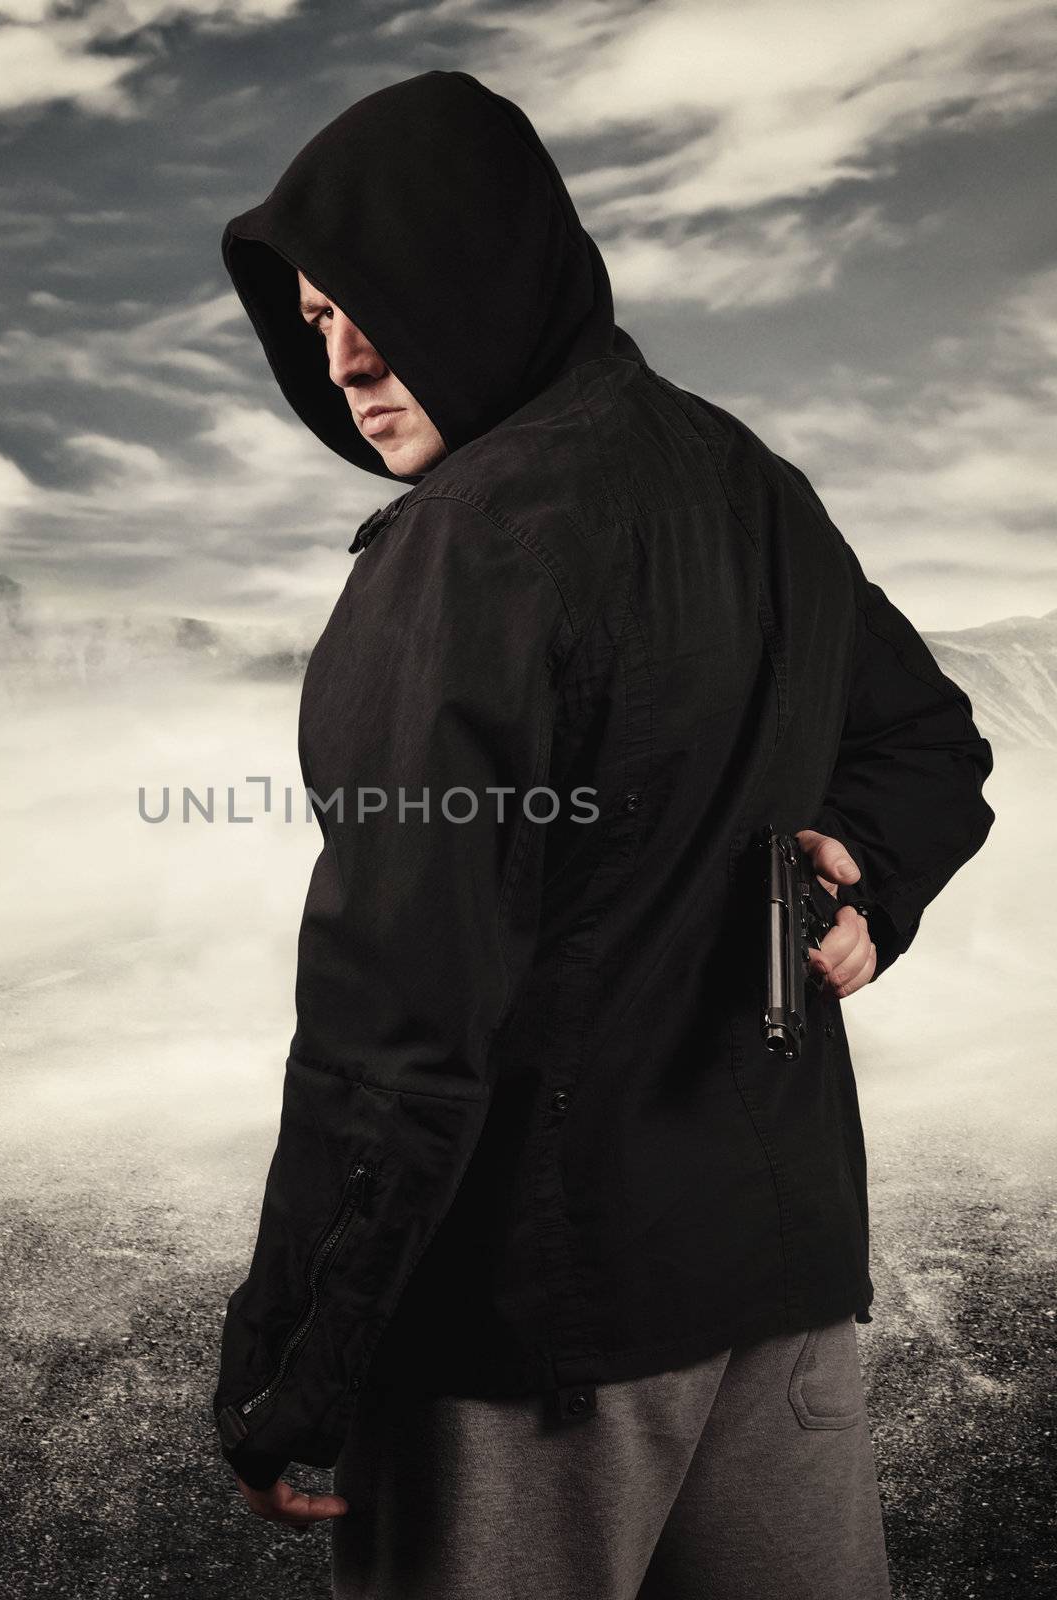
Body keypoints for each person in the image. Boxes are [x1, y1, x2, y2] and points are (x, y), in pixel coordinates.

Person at [208, 69, 996, 1599]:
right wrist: (870, 877)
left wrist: (293, 1363)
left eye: (372, 301)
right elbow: (926, 738)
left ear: (484, 274)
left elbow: (398, 1015)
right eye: (313, 325)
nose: (349, 361)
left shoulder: (469, 550)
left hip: (535, 1341)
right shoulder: (749, 485)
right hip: (784, 1288)